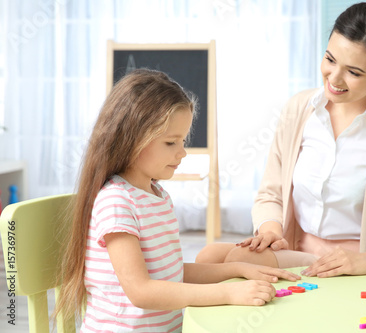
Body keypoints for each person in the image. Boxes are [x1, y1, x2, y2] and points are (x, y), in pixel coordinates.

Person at [196, 2, 366, 277]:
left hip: (357, 265)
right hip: (297, 253)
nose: (334, 79)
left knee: (234, 259)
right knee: (208, 256)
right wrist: (270, 232)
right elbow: (271, 193)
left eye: (353, 72)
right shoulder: (299, 109)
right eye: (330, 59)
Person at [53, 69, 300, 332]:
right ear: (131, 139)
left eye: (182, 141)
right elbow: (141, 291)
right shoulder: (117, 202)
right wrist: (228, 294)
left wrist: (238, 269)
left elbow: (170, 272)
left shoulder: (158, 196)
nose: (182, 152)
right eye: (171, 142)